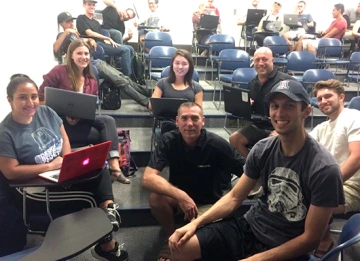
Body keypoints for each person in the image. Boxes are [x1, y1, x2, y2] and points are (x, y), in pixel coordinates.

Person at [167, 80, 344, 261]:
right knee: (182, 248)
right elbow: (235, 196)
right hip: (250, 227)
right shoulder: (262, 149)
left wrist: (256, 259)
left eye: (289, 106)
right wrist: (195, 224)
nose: (280, 113)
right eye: (275, 106)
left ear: (306, 112)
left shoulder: (324, 169)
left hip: (287, 245)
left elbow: (310, 239)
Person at [0, 74, 130, 261]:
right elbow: (10, 172)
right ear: (9, 100)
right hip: (36, 188)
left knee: (98, 166)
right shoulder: (5, 132)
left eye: (34, 96)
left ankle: (109, 209)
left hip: (61, 172)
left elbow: (64, 139)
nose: (30, 102)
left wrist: (69, 160)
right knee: (89, 198)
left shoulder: (46, 112)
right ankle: (107, 246)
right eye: (22, 97)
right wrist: (50, 166)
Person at [142, 102, 246, 261]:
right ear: (177, 121)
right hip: (179, 200)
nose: (189, 123)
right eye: (184, 118)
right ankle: (171, 236)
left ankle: (179, 243)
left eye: (194, 118)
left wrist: (233, 196)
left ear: (203, 121)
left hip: (208, 203)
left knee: (196, 248)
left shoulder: (217, 144)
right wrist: (181, 196)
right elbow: (148, 178)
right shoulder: (168, 140)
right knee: (156, 196)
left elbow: (247, 171)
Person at [40, 39, 131, 184]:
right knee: (100, 135)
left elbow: (90, 106)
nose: (84, 57)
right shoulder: (59, 71)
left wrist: (79, 115)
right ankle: (112, 170)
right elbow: (40, 99)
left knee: (108, 121)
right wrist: (63, 112)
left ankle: (114, 165)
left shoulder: (91, 79)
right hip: (60, 124)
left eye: (87, 53)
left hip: (81, 121)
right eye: (79, 53)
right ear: (71, 55)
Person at [54, 11, 150, 108]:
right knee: (121, 81)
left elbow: (83, 41)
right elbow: (55, 48)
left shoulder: (74, 34)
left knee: (124, 78)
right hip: (89, 65)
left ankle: (149, 94)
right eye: (68, 22)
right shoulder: (63, 35)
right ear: (61, 23)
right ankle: (147, 102)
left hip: (96, 61)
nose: (71, 23)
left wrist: (89, 40)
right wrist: (66, 32)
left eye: (72, 21)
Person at [309, 79, 360, 257]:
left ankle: (324, 239)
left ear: (341, 97)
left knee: (309, 199)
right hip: (332, 182)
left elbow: (357, 158)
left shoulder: (353, 117)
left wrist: (329, 186)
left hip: (353, 185)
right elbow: (303, 144)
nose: (323, 101)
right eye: (319, 99)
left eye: (328, 96)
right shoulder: (322, 127)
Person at [229, 47, 294, 158]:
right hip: (258, 126)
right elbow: (250, 114)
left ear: (272, 60)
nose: (260, 63)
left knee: (270, 144)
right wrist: (245, 107)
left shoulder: (286, 82)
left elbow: (297, 110)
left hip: (280, 126)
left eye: (264, 59)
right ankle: (253, 167)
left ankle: (264, 167)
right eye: (257, 60)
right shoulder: (251, 84)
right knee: (234, 140)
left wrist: (281, 130)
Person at [149, 49, 203, 134]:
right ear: (172, 65)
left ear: (189, 66)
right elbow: (151, 106)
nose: (180, 67)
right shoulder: (162, 83)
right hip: (166, 123)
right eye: (177, 63)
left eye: (184, 64)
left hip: (187, 124)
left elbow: (199, 111)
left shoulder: (197, 87)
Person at [76, 0, 133, 77]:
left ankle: (130, 74)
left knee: (130, 48)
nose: (92, 7)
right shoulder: (81, 18)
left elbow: (101, 38)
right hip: (92, 45)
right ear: (84, 5)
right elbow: (89, 33)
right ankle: (127, 78)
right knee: (125, 50)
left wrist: (112, 42)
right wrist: (107, 38)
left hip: (101, 43)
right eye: (89, 4)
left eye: (93, 5)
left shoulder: (96, 22)